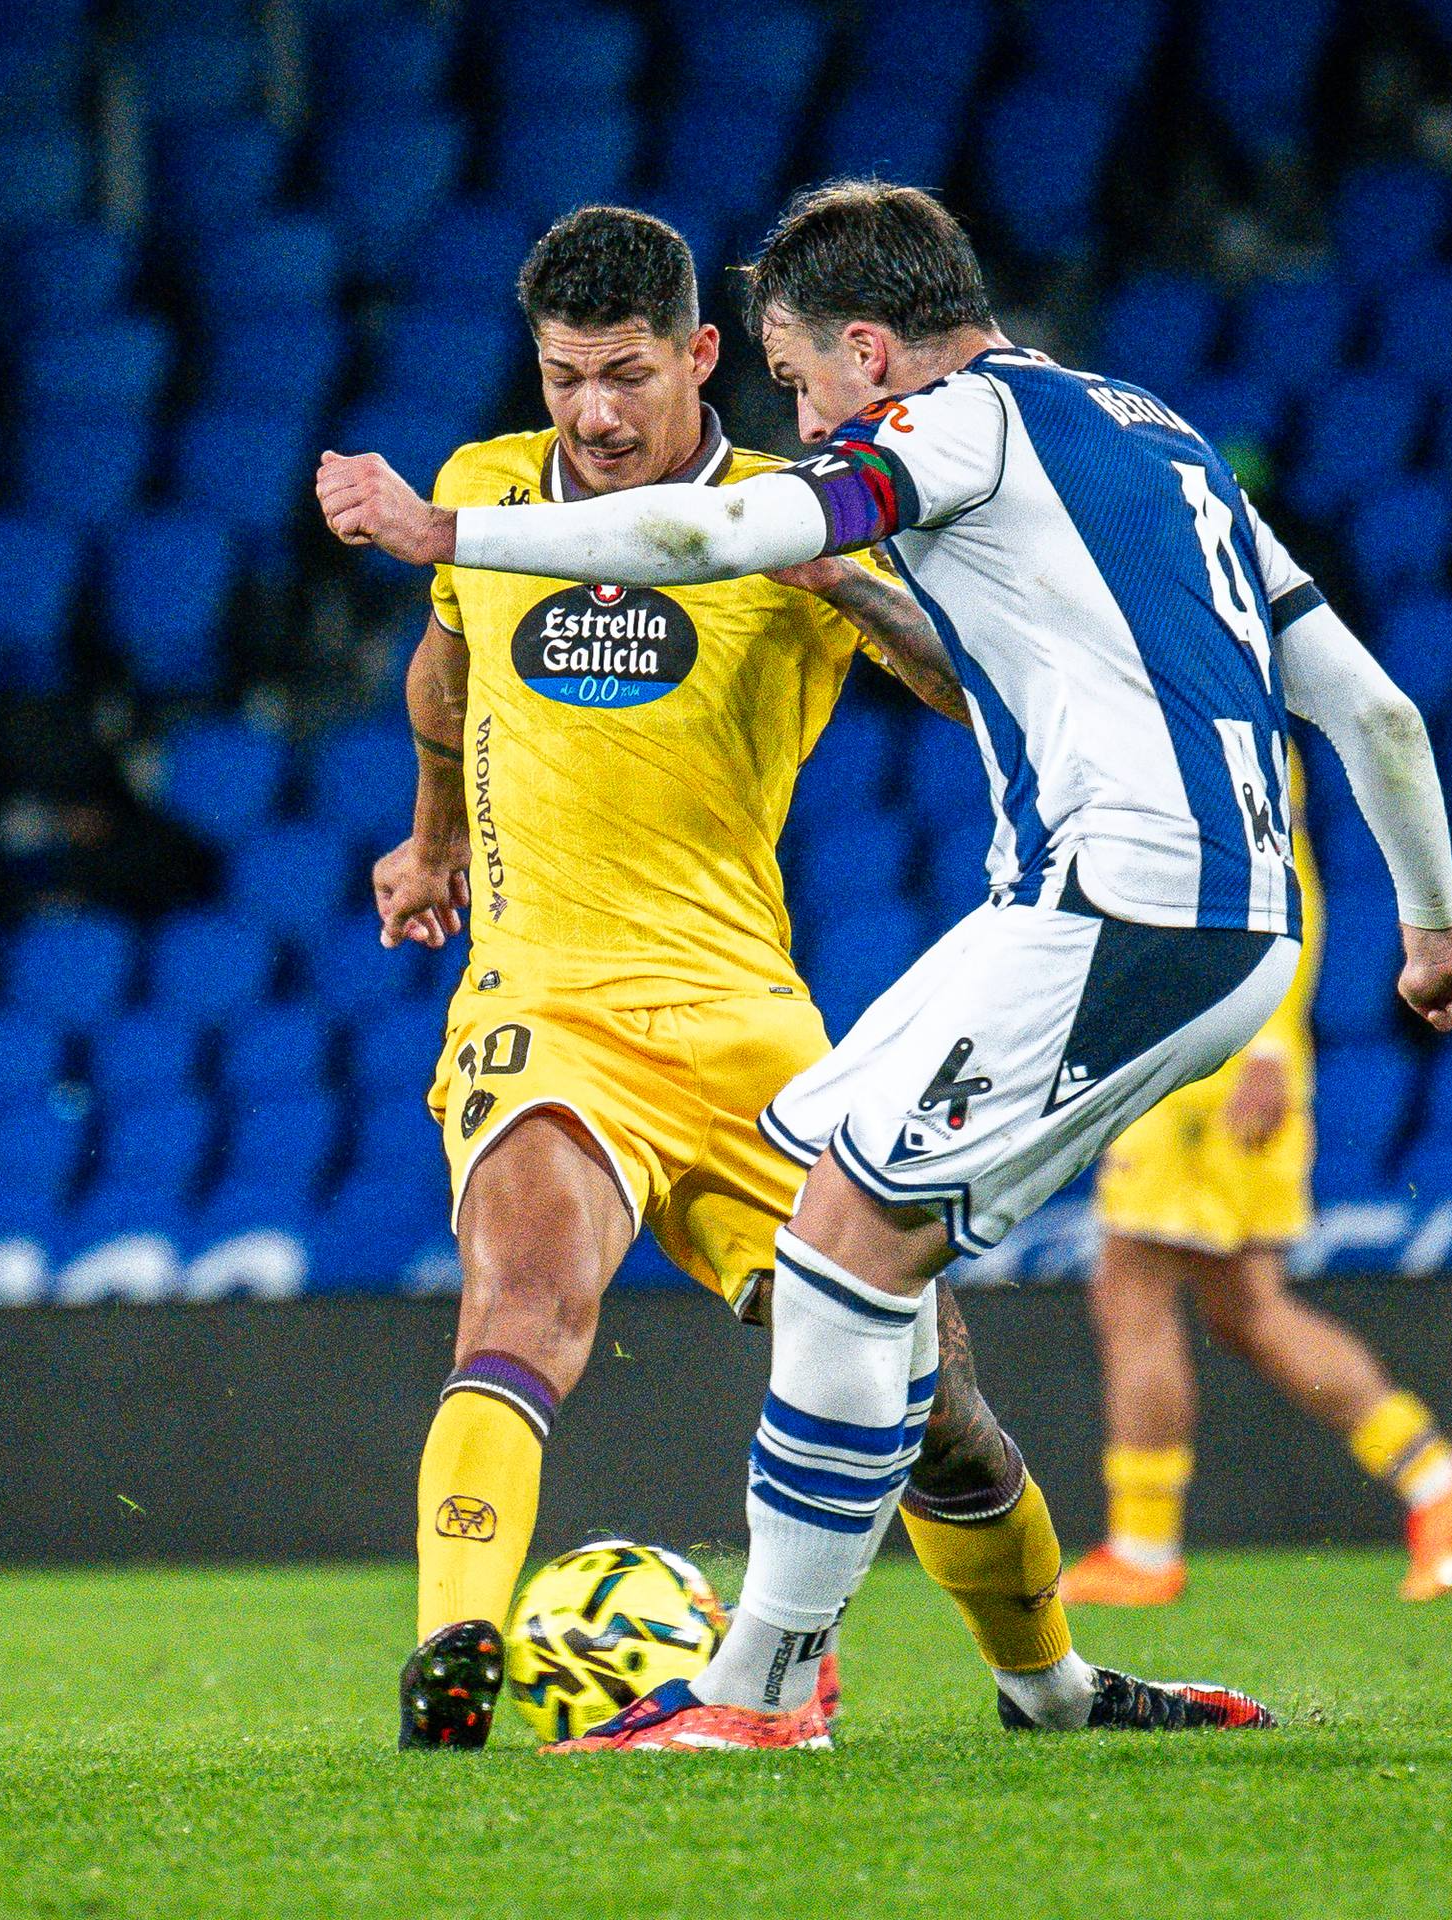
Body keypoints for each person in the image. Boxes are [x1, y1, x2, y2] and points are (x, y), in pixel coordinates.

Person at [319, 178, 1452, 1752]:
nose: (806, 415)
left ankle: (768, 1693)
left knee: (854, 1277)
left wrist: (444, 528)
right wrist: (1435, 926)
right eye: (566, 377)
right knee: (823, 1217)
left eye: (799, 376)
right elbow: (1376, 712)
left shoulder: (950, 429)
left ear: (865, 352)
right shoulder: (1157, 436)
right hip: (1097, 917)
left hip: (1108, 906)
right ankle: (1026, 1689)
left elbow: (732, 530)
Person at [364, 204, 1139, 1755]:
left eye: (627, 375)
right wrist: (432, 836)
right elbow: (444, 673)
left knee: (930, 1405)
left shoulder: (794, 509)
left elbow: (973, 682)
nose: (592, 415)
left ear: (703, 355)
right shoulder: (483, 491)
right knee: (523, 1297)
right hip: (546, 1003)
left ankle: (1046, 1684)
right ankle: (454, 1652)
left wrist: (840, 581)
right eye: (565, 377)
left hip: (749, 1026)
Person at [1070, 782, 1452, 1608]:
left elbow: (1276, 880)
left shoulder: (1201, 720)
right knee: (1246, 1311)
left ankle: (1143, 1548)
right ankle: (1439, 1480)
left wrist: (1267, 1045)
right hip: (1212, 1043)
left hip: (1208, 1060)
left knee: (1132, 1287)